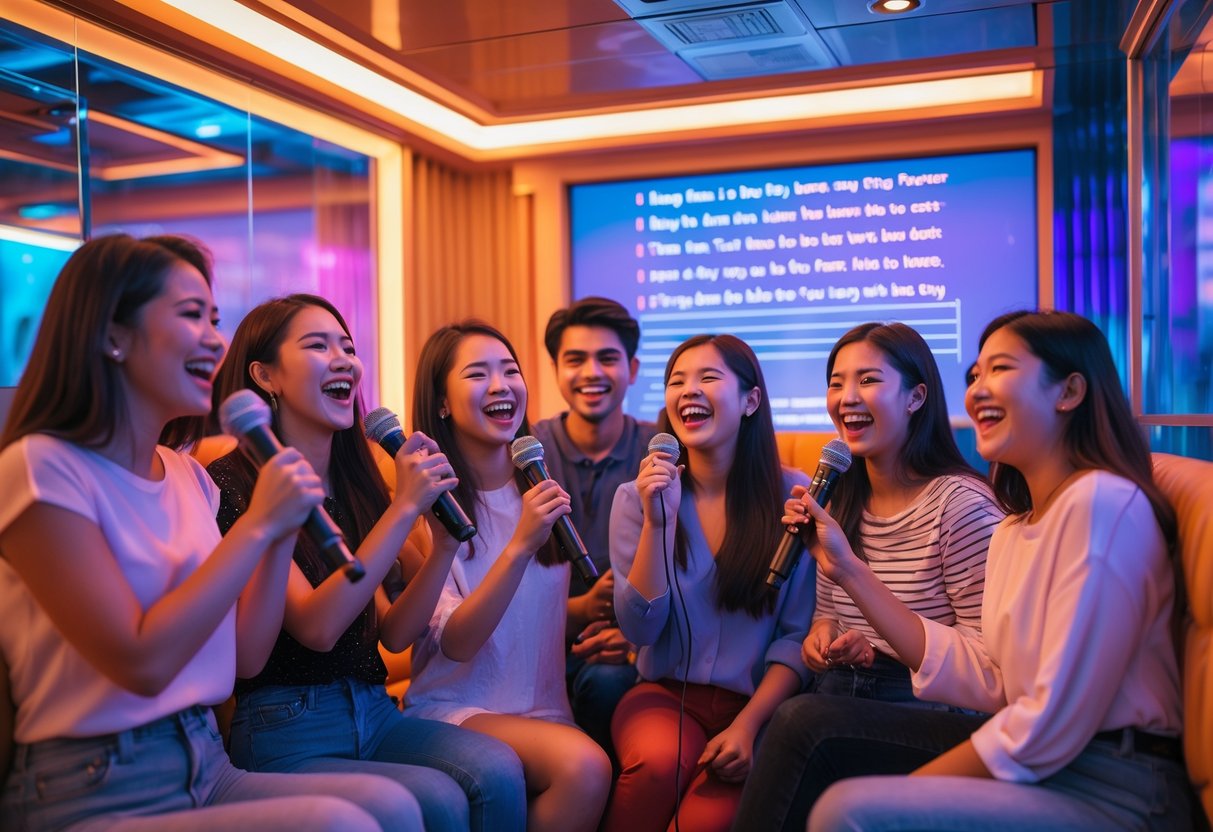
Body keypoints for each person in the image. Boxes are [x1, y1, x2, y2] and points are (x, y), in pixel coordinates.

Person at [0, 234, 417, 831]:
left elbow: (247, 656)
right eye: (191, 315)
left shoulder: (189, 478)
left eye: (215, 319)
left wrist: (274, 534)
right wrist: (259, 525)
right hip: (94, 781)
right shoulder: (41, 468)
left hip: (208, 762)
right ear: (112, 335)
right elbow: (139, 662)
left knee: (397, 808)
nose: (215, 340)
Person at [795, 310, 1194, 831]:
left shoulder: (1100, 503)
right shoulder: (1016, 527)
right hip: (1049, 769)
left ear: (1069, 391)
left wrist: (914, 791)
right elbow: (990, 678)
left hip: (1118, 784)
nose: (976, 390)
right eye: (974, 375)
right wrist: (846, 569)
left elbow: (1049, 722)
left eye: (999, 370)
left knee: (846, 807)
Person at [208, 294, 527, 832]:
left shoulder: (357, 481)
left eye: (348, 347)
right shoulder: (237, 483)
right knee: (438, 800)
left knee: (498, 769)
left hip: (372, 709)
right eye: (318, 345)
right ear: (266, 375)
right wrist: (403, 509)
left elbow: (394, 633)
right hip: (285, 724)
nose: (344, 359)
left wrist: (443, 544)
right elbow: (317, 626)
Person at [734, 322, 1004, 831]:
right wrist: (823, 640)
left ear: (916, 397)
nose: (847, 399)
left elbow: (985, 658)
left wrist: (881, 648)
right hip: (842, 686)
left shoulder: (960, 505)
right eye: (836, 383)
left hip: (933, 708)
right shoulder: (840, 494)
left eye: (869, 381)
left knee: (799, 723)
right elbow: (828, 614)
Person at [402, 320, 612, 832]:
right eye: (478, 374)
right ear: (443, 402)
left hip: (545, 712)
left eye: (511, 371)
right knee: (585, 768)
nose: (501, 385)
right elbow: (458, 642)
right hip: (457, 707)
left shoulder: (541, 490)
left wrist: (596, 615)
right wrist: (520, 544)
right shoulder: (425, 511)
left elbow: (526, 614)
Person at [602, 333, 815, 832]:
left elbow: (795, 637)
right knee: (654, 767)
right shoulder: (637, 499)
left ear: (750, 401)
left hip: (757, 707)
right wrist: (659, 522)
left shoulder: (794, 495)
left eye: (708, 378)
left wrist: (748, 726)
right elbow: (639, 630)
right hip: (663, 694)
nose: (688, 391)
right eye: (677, 381)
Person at [532, 297, 657, 757]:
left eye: (607, 358)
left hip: (631, 649)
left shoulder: (662, 450)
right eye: (575, 360)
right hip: (536, 641)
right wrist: (579, 609)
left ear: (633, 367)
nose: (591, 372)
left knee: (609, 682)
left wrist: (634, 637)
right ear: (555, 369)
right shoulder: (527, 450)